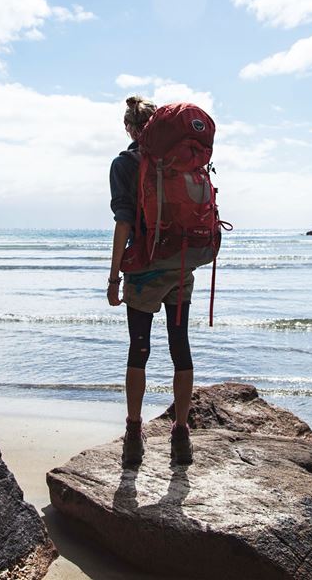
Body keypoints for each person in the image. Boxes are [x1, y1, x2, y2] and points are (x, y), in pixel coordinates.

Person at [107, 95, 194, 466]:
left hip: (143, 271)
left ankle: (133, 434)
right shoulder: (179, 161)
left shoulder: (124, 164)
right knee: (180, 348)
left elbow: (123, 223)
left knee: (138, 349)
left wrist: (113, 278)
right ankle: (180, 436)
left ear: (129, 127)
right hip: (180, 266)